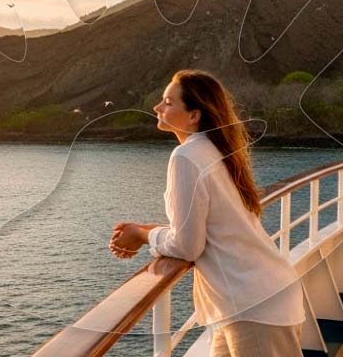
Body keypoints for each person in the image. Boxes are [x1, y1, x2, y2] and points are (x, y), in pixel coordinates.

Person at [109, 69, 305, 357]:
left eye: (168, 101)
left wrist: (142, 234)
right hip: (253, 301)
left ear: (194, 115)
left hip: (252, 308)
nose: (157, 107)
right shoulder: (216, 150)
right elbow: (204, 226)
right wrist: (148, 230)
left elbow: (188, 246)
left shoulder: (187, 156)